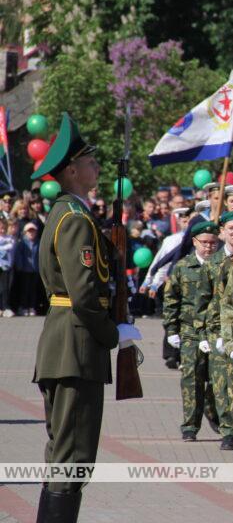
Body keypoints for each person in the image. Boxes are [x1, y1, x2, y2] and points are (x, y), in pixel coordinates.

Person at [31, 112, 142, 521]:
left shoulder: (66, 214)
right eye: (90, 161)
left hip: (63, 346)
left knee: (63, 451)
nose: (97, 166)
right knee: (73, 456)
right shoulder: (75, 220)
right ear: (72, 170)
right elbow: (81, 295)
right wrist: (113, 332)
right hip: (76, 347)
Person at [163, 221, 221, 441]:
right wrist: (171, 329)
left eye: (213, 243)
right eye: (204, 242)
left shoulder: (222, 265)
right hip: (189, 331)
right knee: (191, 378)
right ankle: (190, 426)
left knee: (217, 379)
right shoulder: (183, 266)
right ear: (195, 242)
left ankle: (213, 412)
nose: (208, 247)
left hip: (216, 330)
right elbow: (171, 300)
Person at [195, 212, 233, 452]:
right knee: (221, 384)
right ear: (222, 232)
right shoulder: (213, 263)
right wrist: (203, 335)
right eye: (231, 228)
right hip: (218, 332)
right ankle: (228, 430)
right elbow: (202, 302)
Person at [15, 222, 42, 316]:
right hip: (24, 270)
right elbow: (19, 256)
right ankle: (23, 307)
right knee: (24, 290)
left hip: (35, 270)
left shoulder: (38, 242)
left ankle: (32, 307)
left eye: (33, 231)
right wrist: (19, 266)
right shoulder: (22, 243)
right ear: (25, 232)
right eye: (29, 231)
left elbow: (40, 256)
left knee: (33, 290)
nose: (31, 233)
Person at [0, 217, 13, 317]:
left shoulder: (9, 238)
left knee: (6, 288)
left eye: (4, 228)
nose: (2, 230)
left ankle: (5, 307)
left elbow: (12, 246)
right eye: (0, 228)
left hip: (6, 267)